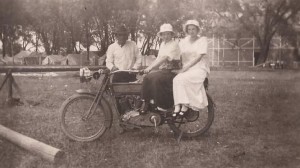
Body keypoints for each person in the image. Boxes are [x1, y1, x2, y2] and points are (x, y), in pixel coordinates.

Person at [140, 23, 180, 113]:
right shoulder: (163, 44)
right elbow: (158, 58)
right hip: (164, 70)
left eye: (168, 34)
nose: (166, 36)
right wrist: (148, 68)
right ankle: (146, 102)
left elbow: (164, 58)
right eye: (164, 34)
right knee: (147, 77)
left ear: (171, 35)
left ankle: (163, 105)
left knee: (157, 79)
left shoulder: (174, 44)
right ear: (161, 35)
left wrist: (150, 68)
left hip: (173, 70)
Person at [172, 20, 209, 117]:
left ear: (197, 30)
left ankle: (185, 105)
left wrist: (185, 68)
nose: (191, 31)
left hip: (199, 68)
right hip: (187, 68)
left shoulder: (202, 40)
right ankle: (177, 105)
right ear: (186, 30)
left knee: (182, 78)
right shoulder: (183, 41)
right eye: (189, 29)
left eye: (193, 29)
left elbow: (199, 57)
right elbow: (177, 54)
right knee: (176, 79)